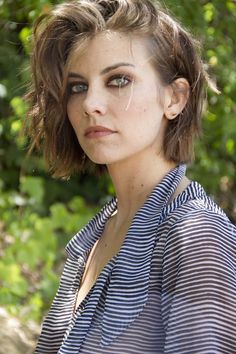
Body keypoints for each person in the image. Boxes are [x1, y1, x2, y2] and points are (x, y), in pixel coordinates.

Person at [26, 0, 236, 353]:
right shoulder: (90, 240)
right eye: (78, 86)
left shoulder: (196, 236)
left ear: (175, 98)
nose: (91, 102)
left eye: (118, 80)